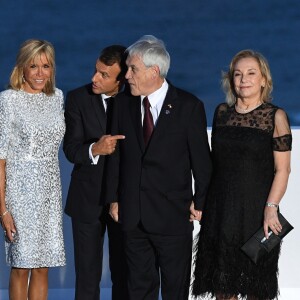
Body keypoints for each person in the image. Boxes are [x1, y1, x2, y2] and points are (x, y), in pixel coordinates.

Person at [106, 35, 212, 300]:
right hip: (133, 216)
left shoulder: (189, 107)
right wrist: (114, 199)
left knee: (175, 291)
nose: (126, 75)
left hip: (173, 216)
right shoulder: (121, 104)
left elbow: (201, 161)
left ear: (154, 71)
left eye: (133, 69)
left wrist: (200, 202)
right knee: (139, 289)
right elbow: (115, 158)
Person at [192, 49, 292, 300]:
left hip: (258, 216)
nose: (243, 79)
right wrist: (200, 201)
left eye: (251, 73)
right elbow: (216, 164)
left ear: (263, 80)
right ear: (231, 80)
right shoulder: (221, 113)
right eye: (238, 74)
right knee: (223, 290)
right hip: (221, 213)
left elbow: (283, 169)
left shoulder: (275, 116)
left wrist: (271, 208)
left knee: (257, 289)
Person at [0, 39, 66, 300]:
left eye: (46, 66)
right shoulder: (8, 100)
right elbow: (0, 159)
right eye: (33, 66)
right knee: (21, 266)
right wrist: (3, 209)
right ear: (22, 68)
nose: (40, 73)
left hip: (49, 192)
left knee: (42, 266)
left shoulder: (57, 97)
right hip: (20, 192)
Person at [63, 45, 128, 300]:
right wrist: (95, 148)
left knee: (123, 272)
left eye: (103, 75)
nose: (94, 78)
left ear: (121, 80)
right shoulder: (78, 98)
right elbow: (70, 149)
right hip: (86, 198)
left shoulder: (134, 101)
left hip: (123, 200)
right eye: (95, 70)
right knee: (87, 275)